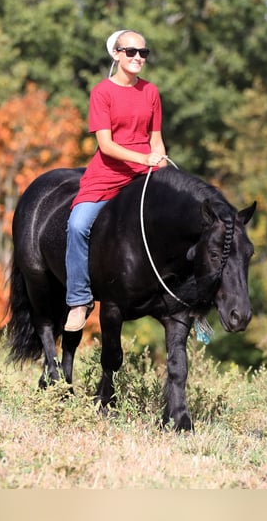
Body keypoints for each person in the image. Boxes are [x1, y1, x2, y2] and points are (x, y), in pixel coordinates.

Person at [64, 29, 168, 332]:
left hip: (145, 174)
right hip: (108, 174)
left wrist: (159, 160)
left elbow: (156, 139)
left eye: (143, 53)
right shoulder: (102, 93)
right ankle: (79, 300)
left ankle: (187, 300)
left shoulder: (151, 92)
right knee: (77, 226)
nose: (138, 58)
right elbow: (106, 146)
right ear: (116, 54)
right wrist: (143, 158)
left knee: (182, 222)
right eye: (131, 52)